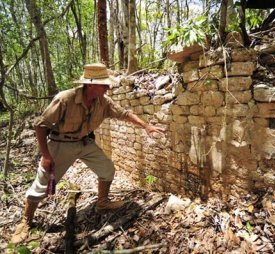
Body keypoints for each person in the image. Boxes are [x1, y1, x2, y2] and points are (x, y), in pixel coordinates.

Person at [11, 63, 165, 243]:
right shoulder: (65, 98)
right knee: (43, 184)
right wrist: (46, 155)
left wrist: (146, 126)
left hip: (85, 142)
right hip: (61, 144)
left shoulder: (103, 102)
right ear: (90, 84)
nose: (108, 87)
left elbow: (124, 113)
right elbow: (40, 125)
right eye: (104, 84)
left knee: (107, 169)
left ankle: (102, 203)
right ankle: (26, 221)